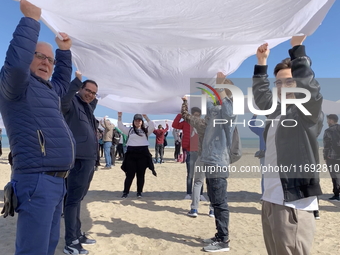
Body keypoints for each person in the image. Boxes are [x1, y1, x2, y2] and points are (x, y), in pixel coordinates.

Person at [0, 1, 75, 255]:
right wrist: (31, 20)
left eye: (50, 60)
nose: (46, 62)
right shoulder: (15, 85)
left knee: (48, 246)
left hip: (57, 181)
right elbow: (16, 63)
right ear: (28, 57)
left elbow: (63, 80)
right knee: (33, 250)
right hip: (36, 180)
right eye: (39, 56)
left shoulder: (51, 90)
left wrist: (63, 52)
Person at [253, 36, 323, 255]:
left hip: (294, 204)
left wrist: (297, 51)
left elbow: (311, 91)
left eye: (289, 81)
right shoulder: (277, 111)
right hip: (270, 200)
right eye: (279, 83)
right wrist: (262, 63)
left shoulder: (306, 113)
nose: (283, 87)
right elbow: (262, 97)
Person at [182, 72, 235, 252]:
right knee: (214, 199)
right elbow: (209, 112)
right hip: (209, 161)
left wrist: (219, 87)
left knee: (220, 202)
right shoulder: (215, 112)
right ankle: (219, 235)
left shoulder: (228, 112)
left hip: (218, 163)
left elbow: (226, 111)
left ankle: (224, 240)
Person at [61, 71, 99, 254]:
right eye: (87, 90)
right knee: (72, 201)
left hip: (89, 159)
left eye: (93, 93)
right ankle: (71, 242)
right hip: (77, 159)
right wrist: (75, 82)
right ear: (80, 89)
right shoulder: (71, 103)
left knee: (78, 199)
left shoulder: (87, 107)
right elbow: (63, 101)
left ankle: (77, 232)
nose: (90, 94)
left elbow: (93, 102)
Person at [118, 113, 156, 198]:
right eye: (136, 120)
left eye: (139, 120)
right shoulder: (129, 130)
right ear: (133, 121)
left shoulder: (146, 131)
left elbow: (152, 126)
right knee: (130, 174)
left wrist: (146, 117)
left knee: (141, 174)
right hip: (131, 153)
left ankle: (139, 192)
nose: (137, 122)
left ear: (142, 122)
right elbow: (120, 126)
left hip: (143, 153)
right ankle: (125, 192)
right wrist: (119, 116)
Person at [172, 109, 201, 199]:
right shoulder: (185, 123)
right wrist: (180, 114)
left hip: (200, 152)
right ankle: (188, 193)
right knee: (190, 174)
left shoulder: (202, 124)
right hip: (189, 150)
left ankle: (200, 194)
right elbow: (174, 125)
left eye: (198, 115)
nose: (196, 116)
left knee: (199, 174)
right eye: (194, 115)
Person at [323, 114, 340, 201]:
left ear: (331, 120)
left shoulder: (328, 131)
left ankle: (337, 194)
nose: (327, 122)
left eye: (328, 120)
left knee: (335, 175)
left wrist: (325, 157)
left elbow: (326, 145)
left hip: (332, 156)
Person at [249, 114, 266, 194]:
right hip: (264, 156)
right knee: (265, 176)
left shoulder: (262, 131)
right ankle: (264, 195)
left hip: (274, 156)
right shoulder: (262, 131)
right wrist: (254, 116)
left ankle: (267, 195)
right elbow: (251, 125)